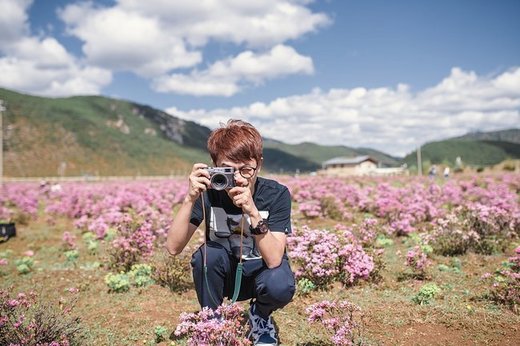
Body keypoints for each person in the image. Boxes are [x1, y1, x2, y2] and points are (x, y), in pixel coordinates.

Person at [166, 119, 295, 346]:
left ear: (259, 164)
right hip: (224, 273)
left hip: (260, 273)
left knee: (281, 282)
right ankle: (213, 322)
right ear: (214, 165)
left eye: (246, 170)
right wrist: (190, 198)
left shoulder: (277, 194)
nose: (238, 178)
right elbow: (173, 248)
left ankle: (260, 314)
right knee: (207, 255)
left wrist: (253, 212)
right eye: (228, 170)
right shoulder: (208, 193)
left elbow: (275, 259)